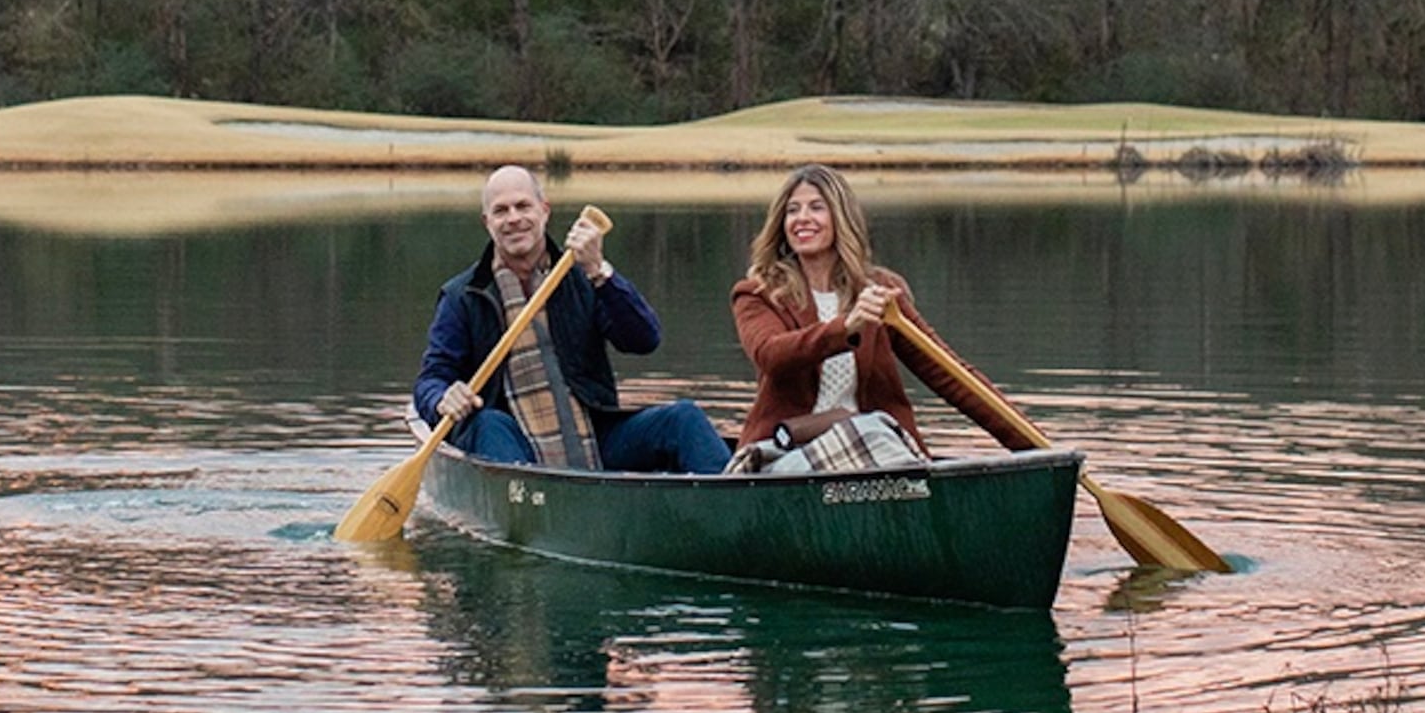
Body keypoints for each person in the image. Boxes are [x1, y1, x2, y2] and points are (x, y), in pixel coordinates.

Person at [415, 165, 732, 474]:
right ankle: (530, 511)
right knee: (488, 421)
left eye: (523, 206)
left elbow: (644, 340)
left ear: (544, 210)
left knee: (684, 418)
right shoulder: (463, 296)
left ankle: (736, 508)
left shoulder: (582, 277)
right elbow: (430, 380)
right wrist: (443, 397)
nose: (513, 218)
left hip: (594, 436)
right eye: (501, 211)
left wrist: (600, 272)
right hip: (508, 441)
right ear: (487, 222)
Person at [727, 162, 1023, 462]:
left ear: (840, 219)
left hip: (874, 457)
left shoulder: (882, 292)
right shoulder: (757, 293)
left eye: (816, 208)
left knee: (873, 430)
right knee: (870, 430)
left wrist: (1037, 449)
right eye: (793, 210)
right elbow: (771, 355)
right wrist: (846, 328)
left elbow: (949, 375)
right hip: (785, 455)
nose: (802, 219)